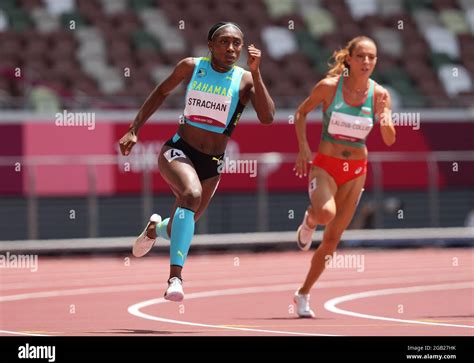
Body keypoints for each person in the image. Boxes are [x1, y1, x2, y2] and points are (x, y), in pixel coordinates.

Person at [118, 22, 275, 302]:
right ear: (210, 45)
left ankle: (155, 228)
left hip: (212, 163)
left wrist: (257, 72)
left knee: (182, 223)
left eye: (236, 43)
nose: (231, 48)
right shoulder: (191, 67)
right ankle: (175, 279)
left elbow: (267, 117)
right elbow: (161, 92)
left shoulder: (245, 80)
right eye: (224, 42)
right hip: (178, 150)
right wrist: (134, 128)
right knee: (190, 195)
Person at [292, 36, 396, 317]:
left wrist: (384, 116)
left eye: (371, 57)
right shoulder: (329, 88)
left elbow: (388, 139)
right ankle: (311, 218)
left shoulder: (379, 95)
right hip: (326, 164)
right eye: (360, 56)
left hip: (356, 171)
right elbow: (300, 114)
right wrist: (303, 148)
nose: (366, 62)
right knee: (325, 214)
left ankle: (303, 294)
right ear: (348, 58)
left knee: (333, 240)